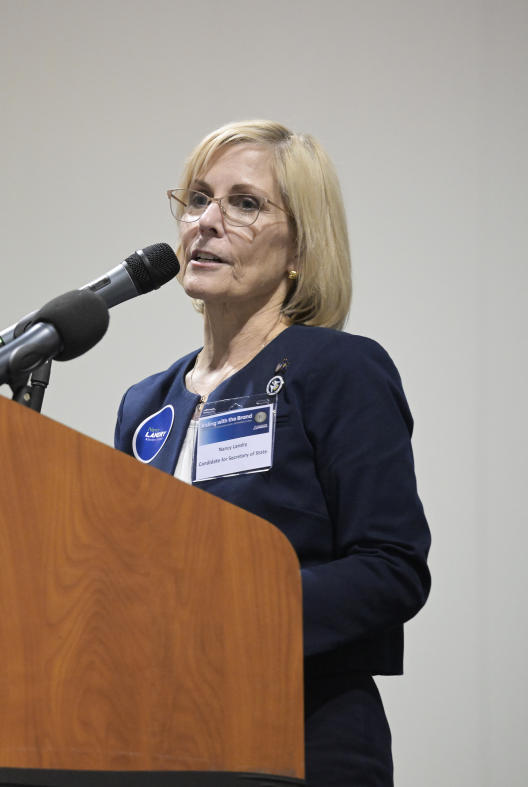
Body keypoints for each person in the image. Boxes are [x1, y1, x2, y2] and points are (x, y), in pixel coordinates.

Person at [114, 120, 431, 786]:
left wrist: (232, 612)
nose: (207, 221)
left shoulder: (339, 370)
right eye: (198, 199)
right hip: (162, 739)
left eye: (245, 203)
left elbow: (391, 566)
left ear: (299, 249)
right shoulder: (144, 404)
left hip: (304, 734)